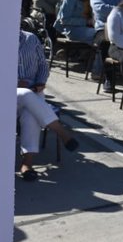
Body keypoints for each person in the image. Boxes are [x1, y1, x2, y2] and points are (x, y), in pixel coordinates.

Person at [17, 28, 79, 181]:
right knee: (25, 94)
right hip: (6, 94)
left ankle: (27, 164)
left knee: (30, 114)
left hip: (33, 91)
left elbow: (43, 66)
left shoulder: (30, 39)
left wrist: (40, 82)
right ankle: (61, 131)